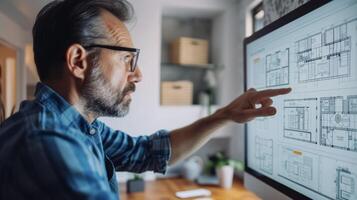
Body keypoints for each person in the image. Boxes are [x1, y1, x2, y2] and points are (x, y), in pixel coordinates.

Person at [0, 0, 291, 199]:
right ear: (78, 61)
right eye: (127, 59)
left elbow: (147, 152)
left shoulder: (80, 125)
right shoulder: (47, 141)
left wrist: (224, 115)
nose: (137, 74)